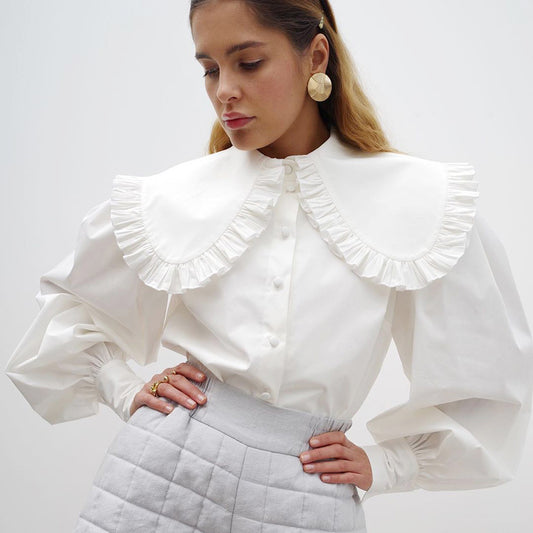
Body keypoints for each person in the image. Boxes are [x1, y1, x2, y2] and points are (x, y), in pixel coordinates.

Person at [5, 0, 533, 532]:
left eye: (248, 63)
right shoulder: (176, 195)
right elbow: (67, 312)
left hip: (306, 490)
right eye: (209, 69)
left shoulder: (421, 203)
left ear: (316, 57)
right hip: (160, 473)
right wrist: (121, 386)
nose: (223, 90)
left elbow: (490, 377)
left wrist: (392, 462)